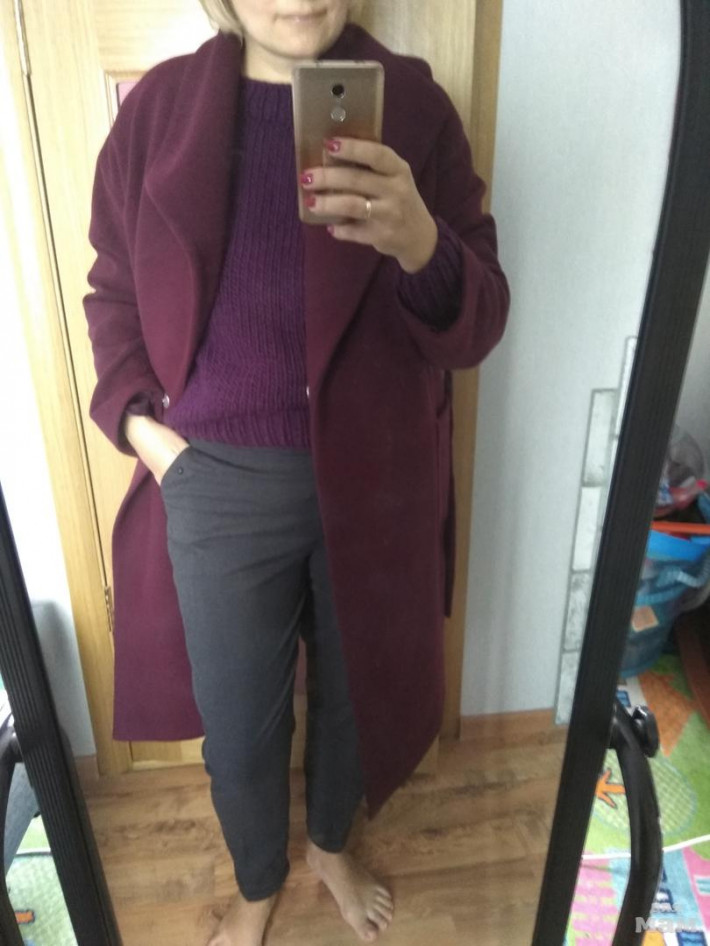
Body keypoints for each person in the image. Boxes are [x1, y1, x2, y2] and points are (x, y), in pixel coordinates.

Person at [83, 1, 510, 944]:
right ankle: (256, 881)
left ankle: (329, 846)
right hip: (213, 480)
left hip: (378, 474)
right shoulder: (158, 113)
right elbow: (112, 291)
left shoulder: (413, 108)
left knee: (357, 695)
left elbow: (479, 322)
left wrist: (422, 244)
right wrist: (152, 440)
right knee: (239, 724)